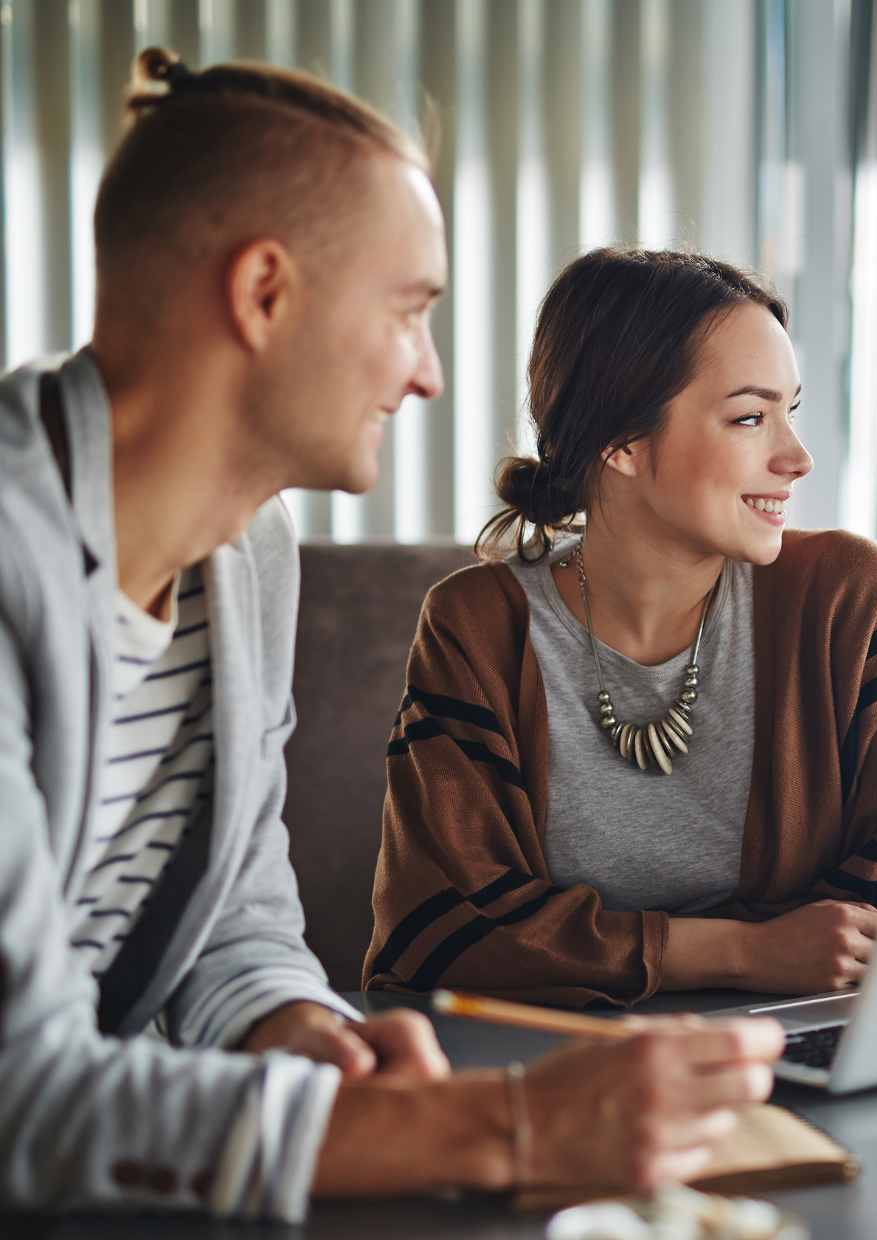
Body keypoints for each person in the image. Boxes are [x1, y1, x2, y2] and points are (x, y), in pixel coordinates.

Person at [0, 51, 779, 1221]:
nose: (427, 373)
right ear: (264, 293)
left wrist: (302, 1030)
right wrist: (498, 1124)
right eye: (410, 311)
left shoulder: (246, 547)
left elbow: (235, 923)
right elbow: (22, 1091)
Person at [365, 247, 877, 1007]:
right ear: (622, 442)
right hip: (563, 1062)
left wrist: (572, 944)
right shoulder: (476, 627)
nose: (796, 457)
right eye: (749, 417)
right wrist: (747, 949)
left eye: (790, 411)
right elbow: (439, 932)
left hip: (800, 1038)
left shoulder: (846, 598)